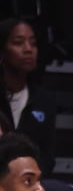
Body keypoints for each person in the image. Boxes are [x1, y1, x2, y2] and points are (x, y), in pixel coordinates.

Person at [0, 19, 57, 172]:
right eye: (18, 43)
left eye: (33, 43)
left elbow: (47, 156)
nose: (28, 49)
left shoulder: (44, 100)